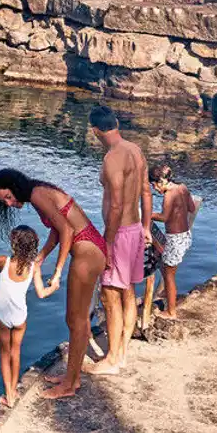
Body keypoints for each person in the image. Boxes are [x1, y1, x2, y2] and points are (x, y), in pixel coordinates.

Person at [0, 168, 106, 399]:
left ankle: (70, 385)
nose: (10, 204)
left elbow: (67, 230)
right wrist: (42, 255)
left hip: (86, 250)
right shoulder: (39, 191)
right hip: (89, 248)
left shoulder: (36, 194)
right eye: (5, 202)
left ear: (17, 186)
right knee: (76, 320)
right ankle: (73, 377)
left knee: (76, 320)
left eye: (9, 197)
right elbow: (57, 228)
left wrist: (58, 270)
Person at [89, 105, 151, 376]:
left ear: (95, 131)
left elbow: (115, 206)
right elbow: (147, 192)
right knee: (129, 292)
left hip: (120, 233)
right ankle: (122, 353)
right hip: (135, 228)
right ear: (116, 124)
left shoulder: (112, 158)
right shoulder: (135, 150)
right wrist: (146, 227)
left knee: (110, 295)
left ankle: (112, 360)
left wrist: (109, 243)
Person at [0, 224, 60, 407]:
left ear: (14, 245)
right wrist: (54, 287)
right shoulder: (34, 266)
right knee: (16, 352)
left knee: (4, 354)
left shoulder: (4, 261)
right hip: (21, 317)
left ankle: (9, 396)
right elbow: (42, 293)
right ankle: (13, 390)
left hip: (3, 317)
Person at [150, 163, 200, 319]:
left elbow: (164, 217)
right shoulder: (183, 188)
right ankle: (169, 292)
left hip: (175, 238)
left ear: (161, 181)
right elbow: (192, 208)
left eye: (154, 185)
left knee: (170, 276)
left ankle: (171, 312)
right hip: (185, 236)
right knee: (163, 263)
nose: (154, 189)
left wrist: (149, 214)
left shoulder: (168, 195)